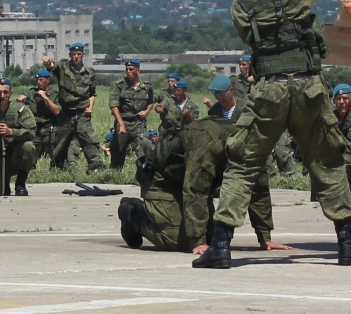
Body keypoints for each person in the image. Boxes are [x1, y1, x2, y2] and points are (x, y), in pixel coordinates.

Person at [194, 0, 351, 269]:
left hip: (268, 90)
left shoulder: (240, 6)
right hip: (308, 87)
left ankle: (221, 246)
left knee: (243, 163)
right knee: (327, 160)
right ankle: (347, 245)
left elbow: (251, 41)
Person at [119, 75, 288, 254]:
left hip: (186, 177)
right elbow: (195, 188)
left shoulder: (252, 144)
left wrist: (265, 238)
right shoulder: (208, 140)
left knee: (210, 236)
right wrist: (197, 241)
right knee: (179, 240)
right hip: (161, 178)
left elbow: (258, 188)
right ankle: (133, 215)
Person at [44, 42, 102, 171]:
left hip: (82, 111)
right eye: (74, 54)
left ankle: (96, 167)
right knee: (60, 140)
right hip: (66, 111)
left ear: (83, 55)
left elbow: (92, 94)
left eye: (79, 54)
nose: (76, 56)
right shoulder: (63, 67)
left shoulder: (90, 73)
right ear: (70, 55)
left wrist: (90, 108)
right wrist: (47, 62)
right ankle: (57, 167)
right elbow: (51, 66)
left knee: (88, 138)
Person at [108, 59, 154, 170]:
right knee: (118, 149)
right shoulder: (120, 85)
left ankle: (145, 171)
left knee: (144, 145)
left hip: (138, 122)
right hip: (123, 121)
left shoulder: (147, 87)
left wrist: (147, 111)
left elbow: (151, 101)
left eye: (131, 69)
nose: (128, 72)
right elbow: (113, 105)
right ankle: (115, 172)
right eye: (127, 69)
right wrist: (121, 124)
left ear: (138, 70)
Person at [150, 80, 199, 176]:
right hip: (168, 134)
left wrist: (188, 116)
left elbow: (195, 123)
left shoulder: (192, 106)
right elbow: (160, 106)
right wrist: (159, 109)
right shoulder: (170, 101)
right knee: (162, 156)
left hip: (184, 136)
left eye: (178, 90)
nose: (176, 93)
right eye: (175, 90)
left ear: (185, 91)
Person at [18, 68, 60, 166]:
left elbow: (57, 111)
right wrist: (20, 100)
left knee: (55, 153)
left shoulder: (55, 94)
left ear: (48, 80)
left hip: (49, 127)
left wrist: (45, 97)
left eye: (41, 80)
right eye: (37, 80)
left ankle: (55, 167)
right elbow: (21, 105)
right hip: (35, 128)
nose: (38, 82)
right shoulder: (32, 92)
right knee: (31, 152)